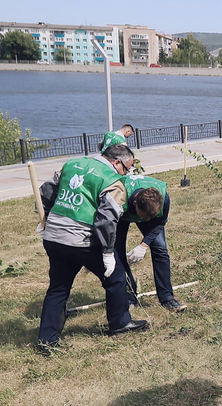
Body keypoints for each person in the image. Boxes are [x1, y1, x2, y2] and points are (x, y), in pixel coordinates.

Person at [36, 144, 149, 353]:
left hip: (53, 237)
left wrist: (46, 219)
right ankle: (120, 324)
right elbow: (106, 220)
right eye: (127, 168)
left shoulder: (72, 164)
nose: (127, 173)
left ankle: (47, 341)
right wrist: (108, 252)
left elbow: (45, 192)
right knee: (116, 277)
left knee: (58, 288)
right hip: (81, 240)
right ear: (116, 162)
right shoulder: (112, 181)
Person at [116, 174, 186, 313]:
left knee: (161, 250)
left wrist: (144, 244)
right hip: (121, 215)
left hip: (140, 210)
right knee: (118, 254)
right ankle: (129, 297)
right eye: (145, 216)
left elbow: (160, 223)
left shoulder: (164, 199)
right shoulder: (118, 196)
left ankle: (167, 298)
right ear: (135, 203)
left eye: (151, 216)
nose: (147, 220)